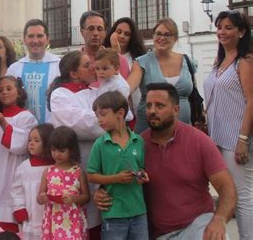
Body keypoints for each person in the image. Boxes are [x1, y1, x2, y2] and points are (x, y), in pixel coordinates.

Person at [94, 83, 237, 239]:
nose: (152, 111)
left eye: (159, 105)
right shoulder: (136, 145)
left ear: (176, 110)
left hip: (197, 225)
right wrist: (101, 192)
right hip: (159, 233)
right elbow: (118, 177)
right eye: (148, 106)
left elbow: (226, 187)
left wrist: (220, 219)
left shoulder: (199, 141)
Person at [204, 10, 253, 239]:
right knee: (229, 192)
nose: (222, 32)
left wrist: (243, 139)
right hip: (217, 136)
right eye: (220, 27)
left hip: (236, 138)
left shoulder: (245, 61)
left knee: (243, 196)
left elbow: (252, 101)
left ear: (242, 32)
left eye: (229, 27)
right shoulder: (220, 61)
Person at [48, 51, 103, 237]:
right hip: (76, 163)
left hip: (100, 160)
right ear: (73, 73)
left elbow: (123, 113)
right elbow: (80, 124)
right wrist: (105, 120)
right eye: (87, 65)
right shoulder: (60, 95)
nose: (93, 68)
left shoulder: (96, 92)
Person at [87, 91, 149, 240]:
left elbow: (142, 168)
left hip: (138, 211)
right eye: (97, 116)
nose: (99, 120)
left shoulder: (138, 141)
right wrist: (116, 178)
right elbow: (91, 175)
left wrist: (142, 176)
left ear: (120, 113)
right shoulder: (100, 144)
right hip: (113, 213)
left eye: (103, 114)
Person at [0, 76, 37, 233]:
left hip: (13, 172)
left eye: (9, 89)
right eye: (0, 90)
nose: (4, 93)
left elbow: (21, 145)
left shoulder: (26, 116)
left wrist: (3, 123)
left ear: (19, 93)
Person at [127, 17, 194, 133]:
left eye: (167, 34)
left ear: (175, 38)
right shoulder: (141, 63)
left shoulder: (186, 61)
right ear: (153, 36)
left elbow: (194, 92)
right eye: (158, 34)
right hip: (149, 128)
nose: (162, 38)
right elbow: (127, 88)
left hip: (182, 130)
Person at [38, 126, 89, 240]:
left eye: (62, 151)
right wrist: (42, 198)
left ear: (72, 150)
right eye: (53, 150)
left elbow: (86, 197)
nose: (57, 154)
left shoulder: (78, 172)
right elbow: (40, 197)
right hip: (53, 221)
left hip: (73, 221)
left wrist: (74, 199)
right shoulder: (48, 172)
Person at [6, 19, 60, 123]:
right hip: (20, 128)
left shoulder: (59, 65)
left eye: (39, 36)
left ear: (47, 39)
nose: (35, 41)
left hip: (51, 130)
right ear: (24, 40)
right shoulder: (14, 68)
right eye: (31, 36)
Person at [11, 123, 55, 240]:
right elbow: (16, 191)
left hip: (53, 217)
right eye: (30, 139)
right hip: (31, 216)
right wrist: (19, 209)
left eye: (36, 140)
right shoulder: (24, 167)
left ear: (47, 143)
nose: (31, 143)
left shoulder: (55, 167)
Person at [103, 17, 146, 114]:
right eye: (119, 32)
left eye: (127, 34)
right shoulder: (103, 55)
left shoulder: (138, 58)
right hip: (110, 107)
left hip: (135, 107)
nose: (122, 36)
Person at [79, 11, 130, 83]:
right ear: (82, 32)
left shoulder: (119, 60)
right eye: (91, 29)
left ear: (105, 32)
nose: (95, 33)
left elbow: (125, 91)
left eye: (99, 29)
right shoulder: (73, 62)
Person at [94, 48, 133, 122]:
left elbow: (120, 104)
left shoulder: (119, 85)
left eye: (105, 69)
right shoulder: (107, 80)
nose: (100, 72)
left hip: (119, 120)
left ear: (116, 68)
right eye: (97, 69)